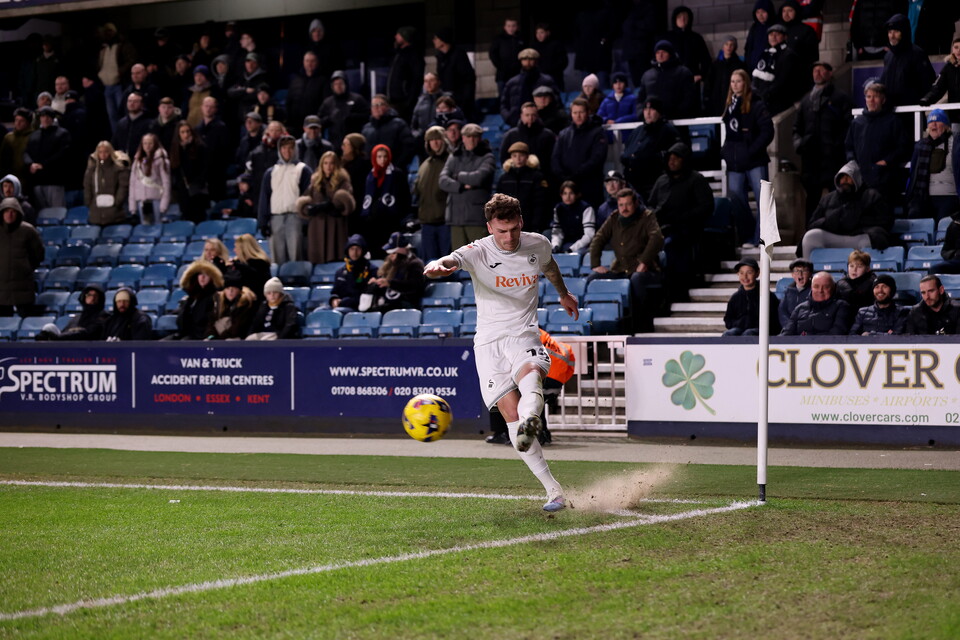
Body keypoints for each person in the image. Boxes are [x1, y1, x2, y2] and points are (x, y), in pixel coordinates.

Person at [423, 193, 578, 512]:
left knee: (531, 378)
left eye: (513, 230)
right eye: (501, 231)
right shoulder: (478, 250)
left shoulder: (537, 243)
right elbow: (449, 261)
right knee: (510, 412)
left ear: (520, 222)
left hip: (524, 334)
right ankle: (554, 490)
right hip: (489, 344)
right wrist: (437, 266)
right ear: (490, 227)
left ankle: (531, 419)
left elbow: (549, 266)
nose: (508, 238)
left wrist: (563, 294)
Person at [587, 188, 665, 333]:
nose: (624, 208)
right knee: (593, 278)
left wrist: (644, 261)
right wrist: (596, 264)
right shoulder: (614, 217)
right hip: (620, 269)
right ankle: (598, 327)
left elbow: (657, 238)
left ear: (635, 203)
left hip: (645, 269)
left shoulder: (646, 216)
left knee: (637, 279)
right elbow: (598, 239)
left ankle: (640, 327)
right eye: (621, 204)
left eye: (628, 204)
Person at [647, 141, 715, 299]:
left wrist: (682, 217)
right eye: (670, 158)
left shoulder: (696, 179)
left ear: (684, 160)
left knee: (672, 246)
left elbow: (706, 207)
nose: (672, 162)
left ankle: (677, 291)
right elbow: (650, 204)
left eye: (676, 158)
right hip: (661, 227)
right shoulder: (661, 180)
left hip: (686, 229)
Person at [485, 326, 573, 446]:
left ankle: (505, 433)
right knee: (533, 398)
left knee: (501, 391)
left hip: (539, 377)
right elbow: (570, 369)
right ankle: (543, 434)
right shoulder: (552, 341)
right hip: (555, 386)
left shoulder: (524, 335)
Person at [793, 61, 854, 219]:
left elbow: (848, 126)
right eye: (814, 71)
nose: (817, 74)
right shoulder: (806, 101)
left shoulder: (840, 98)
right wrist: (800, 144)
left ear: (829, 73)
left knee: (837, 196)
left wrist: (837, 145)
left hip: (833, 158)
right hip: (811, 160)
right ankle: (810, 231)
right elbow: (796, 128)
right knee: (812, 199)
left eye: (821, 71)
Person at [800, 160, 894, 259]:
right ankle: (807, 270)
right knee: (811, 236)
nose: (845, 180)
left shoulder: (871, 195)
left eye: (848, 177)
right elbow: (812, 223)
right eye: (842, 177)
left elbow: (886, 221)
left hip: (859, 236)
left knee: (873, 238)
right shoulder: (827, 199)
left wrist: (856, 221)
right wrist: (829, 221)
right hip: (834, 236)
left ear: (856, 179)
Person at [722, 69, 774, 247]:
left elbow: (768, 131)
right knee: (736, 197)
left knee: (762, 199)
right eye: (732, 81)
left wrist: (751, 151)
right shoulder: (730, 105)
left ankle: (760, 238)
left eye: (738, 81)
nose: (735, 84)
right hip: (735, 163)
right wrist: (726, 152)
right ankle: (747, 236)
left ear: (746, 83)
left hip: (754, 160)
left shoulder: (757, 104)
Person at [844, 83, 910, 202]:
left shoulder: (893, 121)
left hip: (884, 179)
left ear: (883, 100)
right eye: (869, 97)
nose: (872, 100)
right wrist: (853, 162)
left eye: (876, 97)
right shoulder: (857, 123)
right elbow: (849, 146)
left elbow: (903, 147)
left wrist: (886, 161)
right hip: (861, 178)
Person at [439, 123, 496, 248]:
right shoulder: (454, 156)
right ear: (463, 137)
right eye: (468, 136)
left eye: (475, 136)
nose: (471, 139)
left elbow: (478, 178)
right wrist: (461, 186)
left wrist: (457, 175)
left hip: (476, 216)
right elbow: (442, 180)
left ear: (480, 138)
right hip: (456, 217)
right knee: (459, 259)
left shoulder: (487, 156)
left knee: (481, 258)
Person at [258, 134, 312, 265]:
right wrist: (263, 222)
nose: (287, 151)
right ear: (279, 150)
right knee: (277, 257)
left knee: (296, 255)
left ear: (295, 150)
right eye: (283, 148)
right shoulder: (271, 172)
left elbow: (308, 197)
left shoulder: (303, 170)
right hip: (276, 218)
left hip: (296, 218)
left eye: (290, 148)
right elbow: (265, 197)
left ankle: (296, 282)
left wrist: (306, 221)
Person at [296, 150, 355, 265]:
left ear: (336, 165)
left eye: (332, 163)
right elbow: (304, 201)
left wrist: (333, 205)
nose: (328, 166)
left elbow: (347, 203)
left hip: (335, 226)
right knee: (317, 259)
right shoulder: (315, 182)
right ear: (321, 165)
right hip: (317, 227)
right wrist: (310, 208)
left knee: (336, 259)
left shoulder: (343, 182)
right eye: (325, 163)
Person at [620, 96, 681, 201]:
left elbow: (670, 156)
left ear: (659, 112)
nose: (648, 113)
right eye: (645, 109)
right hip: (633, 184)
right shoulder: (637, 131)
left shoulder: (667, 131)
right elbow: (627, 152)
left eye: (652, 109)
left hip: (653, 183)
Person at [906, 109, 960, 223]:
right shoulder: (921, 146)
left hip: (950, 196)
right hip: (924, 197)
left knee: (944, 220)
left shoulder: (956, 143)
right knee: (914, 215)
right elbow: (912, 175)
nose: (933, 124)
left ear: (946, 126)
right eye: (930, 122)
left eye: (937, 121)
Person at [551, 98, 607, 207]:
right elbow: (555, 158)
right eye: (575, 112)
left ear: (588, 112)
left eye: (581, 112)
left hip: (589, 185)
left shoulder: (597, 132)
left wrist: (576, 175)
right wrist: (564, 177)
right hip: (566, 185)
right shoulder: (564, 133)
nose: (578, 116)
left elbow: (597, 158)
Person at [361, 143, 410, 257]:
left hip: (391, 222)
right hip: (373, 223)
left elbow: (405, 198)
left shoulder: (397, 174)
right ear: (374, 158)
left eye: (385, 156)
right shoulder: (369, 176)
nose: (382, 160)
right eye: (379, 156)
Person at [879, 13, 936, 108]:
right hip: (891, 113)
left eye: (896, 31)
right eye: (889, 32)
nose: (892, 36)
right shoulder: (888, 56)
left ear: (904, 32)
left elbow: (928, 83)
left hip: (913, 112)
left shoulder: (917, 53)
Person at [360, 232, 425, 313]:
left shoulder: (415, 264)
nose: (390, 256)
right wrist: (378, 283)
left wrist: (390, 283)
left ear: (403, 249)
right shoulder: (391, 264)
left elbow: (415, 287)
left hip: (407, 305)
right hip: (390, 302)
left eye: (393, 252)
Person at [0, 197, 43, 318]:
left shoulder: (28, 231)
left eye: (13, 211)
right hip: (1, 289)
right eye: (6, 211)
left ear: (18, 212)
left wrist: (26, 268)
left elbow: (38, 254)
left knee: (28, 320)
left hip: (23, 286)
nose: (10, 214)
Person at [750, 24, 805, 116]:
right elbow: (756, 77)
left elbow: (782, 80)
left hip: (779, 102)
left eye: (777, 34)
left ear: (785, 37)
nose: (773, 37)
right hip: (764, 101)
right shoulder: (765, 53)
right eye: (771, 35)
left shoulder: (789, 55)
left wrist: (766, 94)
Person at [414, 126, 451, 264]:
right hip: (427, 223)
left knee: (447, 265)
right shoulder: (425, 165)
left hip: (445, 222)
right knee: (430, 265)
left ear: (444, 141)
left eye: (438, 139)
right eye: (431, 140)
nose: (435, 143)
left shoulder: (451, 161)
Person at [636, 40, 698, 119]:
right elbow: (640, 99)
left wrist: (677, 114)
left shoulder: (683, 72)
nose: (660, 55)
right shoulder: (647, 75)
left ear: (670, 54)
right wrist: (641, 113)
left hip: (676, 122)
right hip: (651, 123)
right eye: (658, 52)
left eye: (663, 52)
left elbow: (689, 98)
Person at [24, 105, 71, 209]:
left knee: (57, 211)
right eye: (43, 116)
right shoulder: (34, 135)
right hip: (37, 181)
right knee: (41, 214)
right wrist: (30, 164)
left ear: (52, 118)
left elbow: (63, 154)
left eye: (48, 116)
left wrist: (43, 165)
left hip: (54, 180)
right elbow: (26, 152)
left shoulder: (62, 133)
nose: (45, 119)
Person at [497, 141, 549, 234]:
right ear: (511, 157)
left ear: (527, 157)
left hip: (529, 223)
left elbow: (540, 203)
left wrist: (536, 225)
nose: (518, 159)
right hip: (509, 223)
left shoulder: (536, 177)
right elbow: (499, 202)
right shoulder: (504, 178)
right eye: (514, 155)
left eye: (521, 155)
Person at [500, 48, 559, 127]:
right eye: (524, 59)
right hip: (516, 124)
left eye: (531, 59)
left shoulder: (546, 81)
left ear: (536, 61)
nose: (528, 62)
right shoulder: (512, 83)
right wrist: (509, 118)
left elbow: (556, 102)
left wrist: (547, 119)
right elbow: (504, 104)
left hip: (543, 124)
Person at [780, 271, 851, 335]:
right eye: (816, 286)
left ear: (833, 288)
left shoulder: (841, 306)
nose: (820, 290)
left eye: (826, 287)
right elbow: (787, 333)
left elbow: (837, 334)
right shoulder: (800, 308)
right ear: (811, 288)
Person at [722, 258, 781, 336]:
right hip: (740, 329)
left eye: (749, 272)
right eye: (741, 273)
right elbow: (728, 320)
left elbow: (775, 321)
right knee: (728, 334)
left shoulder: (767, 296)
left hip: (762, 331)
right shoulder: (735, 298)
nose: (745, 277)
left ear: (757, 273)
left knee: (748, 333)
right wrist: (740, 323)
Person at [169, 259, 223, 340]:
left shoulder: (214, 297)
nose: (202, 277)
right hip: (184, 334)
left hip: (200, 337)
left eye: (206, 274)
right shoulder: (190, 299)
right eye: (200, 274)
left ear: (212, 278)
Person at [170, 121, 210, 223]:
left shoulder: (200, 147)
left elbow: (205, 168)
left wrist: (186, 148)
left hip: (198, 189)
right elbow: (175, 169)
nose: (186, 135)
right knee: (186, 216)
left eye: (188, 131)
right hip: (183, 190)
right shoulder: (176, 149)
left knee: (199, 216)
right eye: (182, 132)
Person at [361, 95, 416, 170]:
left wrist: (397, 167)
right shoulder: (366, 128)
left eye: (380, 104)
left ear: (387, 106)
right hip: (372, 172)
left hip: (394, 171)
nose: (376, 107)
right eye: (373, 105)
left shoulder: (399, 124)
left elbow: (408, 147)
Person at [37, 285, 108, 341]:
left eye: (95, 296)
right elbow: (64, 333)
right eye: (89, 295)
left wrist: (58, 337)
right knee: (49, 327)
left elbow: (88, 334)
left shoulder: (103, 316)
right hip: (68, 346)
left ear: (100, 298)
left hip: (87, 349)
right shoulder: (77, 318)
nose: (92, 298)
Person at [319, 70, 370, 149]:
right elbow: (320, 121)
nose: (338, 86)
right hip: (334, 143)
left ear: (345, 84)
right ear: (332, 86)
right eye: (336, 84)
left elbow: (367, 116)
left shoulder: (357, 99)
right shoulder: (328, 102)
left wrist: (351, 117)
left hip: (354, 143)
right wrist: (330, 119)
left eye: (340, 83)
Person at [83, 140, 130, 226]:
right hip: (96, 213)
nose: (103, 154)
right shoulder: (92, 170)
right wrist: (89, 202)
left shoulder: (119, 169)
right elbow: (87, 186)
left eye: (106, 152)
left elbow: (123, 187)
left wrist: (117, 202)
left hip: (115, 214)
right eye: (100, 152)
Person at [128, 132, 171, 225]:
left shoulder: (162, 160)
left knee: (157, 226)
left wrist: (163, 206)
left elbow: (166, 183)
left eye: (150, 143)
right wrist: (132, 208)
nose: (147, 146)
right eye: (145, 143)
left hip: (157, 201)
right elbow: (132, 184)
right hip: (141, 202)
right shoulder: (137, 161)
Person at [433, 29, 476, 117]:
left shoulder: (459, 55)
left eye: (436, 38)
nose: (433, 41)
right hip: (446, 98)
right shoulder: (440, 56)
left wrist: (465, 100)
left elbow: (468, 78)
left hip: (459, 99)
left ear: (443, 41)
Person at [920, 37, 960, 129]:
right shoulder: (948, 68)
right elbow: (938, 87)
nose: (958, 51)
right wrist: (927, 99)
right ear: (952, 49)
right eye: (956, 47)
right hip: (956, 119)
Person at [387, 26, 424, 122]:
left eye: (398, 35)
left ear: (405, 37)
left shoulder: (413, 55)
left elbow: (417, 79)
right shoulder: (399, 54)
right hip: (394, 101)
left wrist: (409, 101)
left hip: (403, 102)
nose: (395, 37)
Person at [209, 269, 257, 340]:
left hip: (237, 339)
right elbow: (211, 322)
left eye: (234, 288)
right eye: (228, 288)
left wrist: (219, 338)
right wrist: (211, 336)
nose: (230, 291)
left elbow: (238, 327)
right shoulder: (219, 302)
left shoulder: (246, 303)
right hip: (219, 338)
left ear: (239, 290)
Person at [705, 36, 747, 116]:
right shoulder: (715, 65)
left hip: (734, 101)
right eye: (726, 44)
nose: (729, 47)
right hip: (717, 103)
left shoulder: (740, 65)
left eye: (731, 45)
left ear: (734, 47)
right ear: (723, 46)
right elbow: (709, 83)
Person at [549, 181, 594, 255]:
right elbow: (557, 232)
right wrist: (555, 246)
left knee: (575, 255)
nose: (568, 197)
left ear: (577, 194)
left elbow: (589, 235)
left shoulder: (586, 208)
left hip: (583, 245)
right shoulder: (558, 208)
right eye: (565, 193)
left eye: (571, 193)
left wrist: (571, 249)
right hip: (566, 243)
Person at [330, 234, 372, 312]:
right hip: (340, 306)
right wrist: (333, 299)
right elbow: (335, 292)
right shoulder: (340, 272)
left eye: (358, 249)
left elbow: (364, 295)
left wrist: (343, 302)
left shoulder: (371, 270)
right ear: (347, 250)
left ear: (363, 251)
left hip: (357, 308)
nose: (354, 252)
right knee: (320, 310)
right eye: (352, 249)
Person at [285, 51, 326, 132]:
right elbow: (289, 101)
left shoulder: (323, 80)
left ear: (317, 62)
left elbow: (325, 104)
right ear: (303, 62)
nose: (309, 63)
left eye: (312, 61)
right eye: (307, 61)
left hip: (313, 124)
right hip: (295, 124)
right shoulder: (295, 80)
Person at [489, 18, 524, 99]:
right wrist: (501, 66)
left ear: (517, 27)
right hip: (503, 75)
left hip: (518, 74)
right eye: (508, 26)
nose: (511, 28)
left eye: (513, 26)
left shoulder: (521, 38)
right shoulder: (499, 39)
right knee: (504, 98)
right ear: (505, 27)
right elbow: (492, 54)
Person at [232, 233, 272, 303]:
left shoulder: (261, 263)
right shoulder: (238, 263)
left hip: (257, 300)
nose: (234, 250)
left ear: (244, 249)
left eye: (236, 248)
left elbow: (257, 280)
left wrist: (239, 266)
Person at [111, 92, 152, 158]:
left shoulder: (149, 124)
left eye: (135, 101)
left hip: (140, 160)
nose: (132, 104)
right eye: (129, 101)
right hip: (122, 160)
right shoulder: (121, 123)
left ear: (142, 104)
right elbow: (114, 143)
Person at [0, 109, 34, 185]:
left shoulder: (34, 137)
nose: (18, 123)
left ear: (28, 122)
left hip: (28, 177)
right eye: (16, 120)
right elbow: (2, 158)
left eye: (22, 121)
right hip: (10, 176)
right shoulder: (8, 137)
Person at [745, 0, 776, 70]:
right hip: (753, 68)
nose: (760, 15)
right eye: (757, 12)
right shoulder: (754, 28)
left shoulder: (775, 27)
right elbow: (748, 48)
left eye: (763, 12)